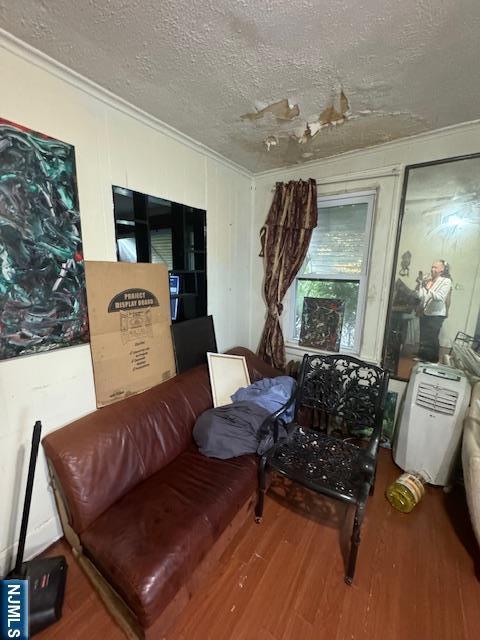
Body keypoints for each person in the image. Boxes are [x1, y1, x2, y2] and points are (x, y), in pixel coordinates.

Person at [416, 260, 452, 362]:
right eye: (432, 267)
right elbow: (421, 296)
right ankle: (422, 357)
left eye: (435, 267)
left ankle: (433, 360)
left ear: (442, 269)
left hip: (437, 314)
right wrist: (421, 285)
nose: (432, 269)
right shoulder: (429, 281)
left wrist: (428, 288)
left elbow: (440, 297)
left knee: (432, 337)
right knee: (424, 336)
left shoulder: (446, 281)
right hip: (426, 312)